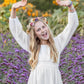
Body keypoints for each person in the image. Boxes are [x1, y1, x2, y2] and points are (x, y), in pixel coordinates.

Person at [9, 0, 79, 84]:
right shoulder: (33, 46)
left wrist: (70, 6)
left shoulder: (57, 43)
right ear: (35, 35)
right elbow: (17, 32)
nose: (42, 30)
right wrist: (13, 9)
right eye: (38, 30)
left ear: (47, 27)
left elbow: (72, 26)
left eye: (43, 27)